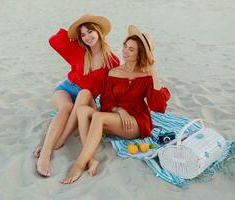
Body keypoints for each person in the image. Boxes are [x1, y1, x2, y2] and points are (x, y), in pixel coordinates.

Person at [61, 25, 171, 184]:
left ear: (140, 53)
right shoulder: (114, 72)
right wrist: (120, 110)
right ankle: (91, 159)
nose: (125, 51)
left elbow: (158, 107)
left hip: (135, 123)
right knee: (83, 110)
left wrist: (154, 73)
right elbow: (106, 101)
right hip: (115, 117)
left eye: (131, 49)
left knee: (97, 117)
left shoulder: (146, 76)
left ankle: (79, 164)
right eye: (125, 46)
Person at [35, 14, 120, 177]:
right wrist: (73, 35)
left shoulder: (112, 61)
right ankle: (45, 155)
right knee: (66, 107)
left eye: (90, 32)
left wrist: (102, 110)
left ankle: (56, 144)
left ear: (99, 32)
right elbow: (54, 40)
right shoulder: (79, 49)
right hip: (66, 89)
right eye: (83, 34)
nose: (87, 37)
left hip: (85, 98)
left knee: (83, 96)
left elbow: (110, 90)